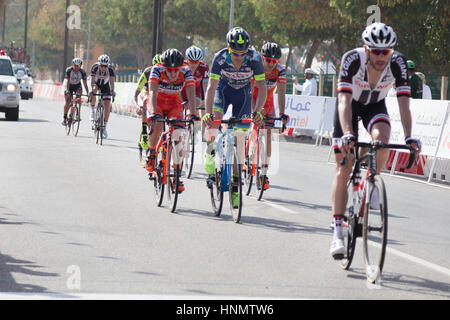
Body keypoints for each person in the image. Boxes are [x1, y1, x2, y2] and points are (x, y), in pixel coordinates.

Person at [330, 22, 422, 259]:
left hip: (375, 106)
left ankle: (372, 179)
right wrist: (348, 133)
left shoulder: (398, 63)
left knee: (382, 139)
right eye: (377, 51)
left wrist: (409, 136)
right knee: (343, 168)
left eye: (386, 51)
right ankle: (338, 231)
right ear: (367, 49)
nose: (382, 56)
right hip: (349, 106)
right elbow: (343, 101)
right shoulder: (352, 59)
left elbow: (404, 104)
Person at [202, 27, 267, 208]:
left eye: (242, 53)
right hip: (223, 91)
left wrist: (258, 111)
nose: (239, 57)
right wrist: (207, 112)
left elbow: (262, 87)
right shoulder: (219, 58)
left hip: (243, 95)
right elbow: (211, 87)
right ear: (229, 48)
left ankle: (236, 185)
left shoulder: (254, 58)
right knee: (214, 121)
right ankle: (210, 151)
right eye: (235, 53)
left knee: (240, 139)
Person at [145, 48, 199, 193]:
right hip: (158, 102)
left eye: (176, 70)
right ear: (164, 67)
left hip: (175, 104)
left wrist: (193, 113)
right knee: (157, 125)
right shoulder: (157, 70)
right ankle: (151, 153)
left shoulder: (186, 71)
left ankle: (176, 176)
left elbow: (191, 93)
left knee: (179, 138)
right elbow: (152, 93)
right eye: (170, 70)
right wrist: (152, 113)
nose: (174, 73)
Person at [251, 42, 289, 190]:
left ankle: (264, 173)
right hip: (252, 98)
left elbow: (281, 93)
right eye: (269, 61)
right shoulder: (256, 66)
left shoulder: (280, 70)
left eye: (275, 61)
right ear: (262, 58)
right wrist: (254, 111)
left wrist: (282, 113)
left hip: (267, 102)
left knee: (267, 134)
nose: (272, 64)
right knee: (251, 124)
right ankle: (248, 150)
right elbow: (248, 91)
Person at [134, 53, 162, 151]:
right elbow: (136, 93)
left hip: (159, 94)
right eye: (156, 67)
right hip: (146, 92)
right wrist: (137, 106)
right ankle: (145, 132)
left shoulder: (166, 73)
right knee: (146, 100)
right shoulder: (147, 72)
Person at [181, 46, 209, 139]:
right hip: (182, 89)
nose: (194, 64)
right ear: (187, 59)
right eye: (191, 61)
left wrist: (205, 99)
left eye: (196, 62)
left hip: (196, 91)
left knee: (196, 104)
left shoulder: (204, 67)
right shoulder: (182, 66)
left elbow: (205, 85)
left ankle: (191, 124)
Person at [89, 54, 116, 139]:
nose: (103, 68)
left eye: (105, 66)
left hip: (105, 85)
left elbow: (111, 82)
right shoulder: (95, 67)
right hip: (96, 84)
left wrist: (112, 91)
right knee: (94, 90)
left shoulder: (111, 69)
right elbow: (92, 81)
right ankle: (92, 111)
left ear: (107, 65)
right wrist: (92, 90)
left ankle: (104, 128)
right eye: (102, 66)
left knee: (107, 106)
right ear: (99, 64)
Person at [62, 58, 89, 126]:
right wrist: (68, 91)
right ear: (72, 65)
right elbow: (67, 82)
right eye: (75, 65)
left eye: (78, 66)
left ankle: (77, 113)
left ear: (80, 66)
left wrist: (88, 93)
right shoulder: (69, 70)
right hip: (69, 85)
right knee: (68, 101)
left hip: (77, 85)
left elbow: (85, 83)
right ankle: (65, 118)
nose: (76, 67)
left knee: (79, 98)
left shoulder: (82, 72)